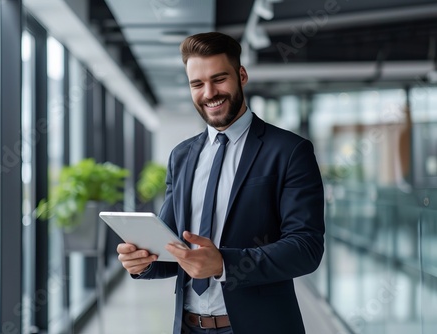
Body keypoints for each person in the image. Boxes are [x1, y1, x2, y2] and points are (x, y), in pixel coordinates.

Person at [117, 31, 325, 334]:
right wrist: (143, 261)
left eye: (219, 79)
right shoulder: (182, 156)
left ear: (241, 75)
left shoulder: (289, 151)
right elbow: (173, 248)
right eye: (197, 84)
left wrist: (225, 263)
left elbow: (306, 247)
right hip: (189, 326)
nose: (209, 92)